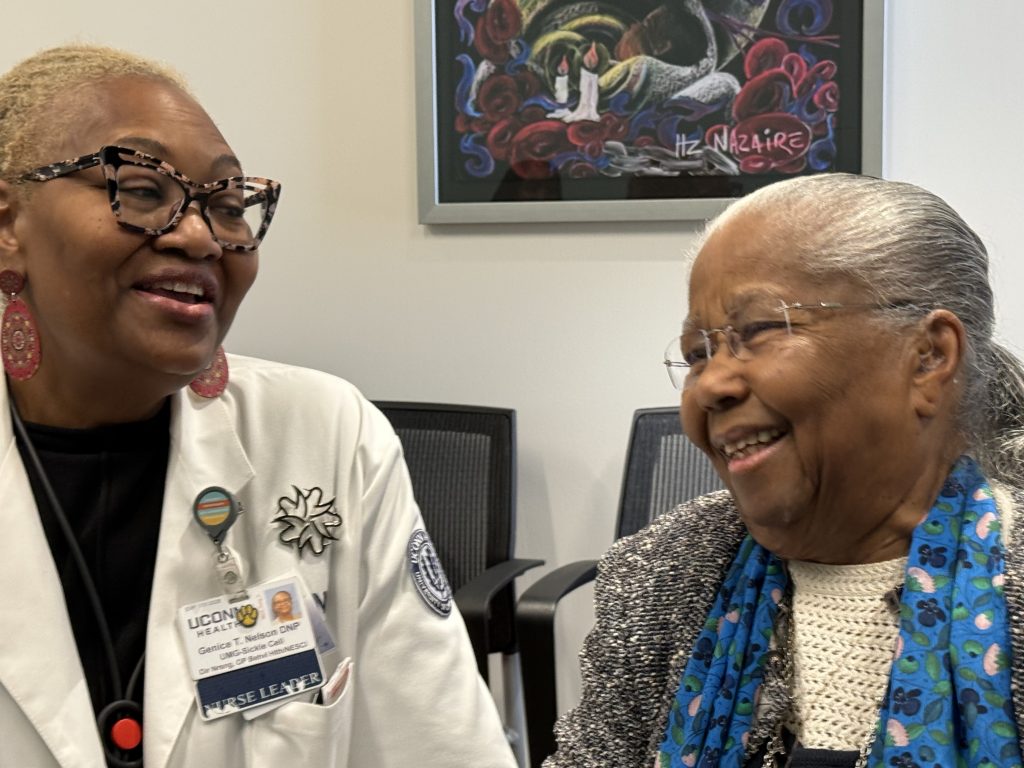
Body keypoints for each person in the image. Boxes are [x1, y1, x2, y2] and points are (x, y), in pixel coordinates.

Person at [0, 45, 516, 767]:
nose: (201, 236)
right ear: (8, 224)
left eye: (228, 204)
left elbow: (435, 743)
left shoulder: (325, 433)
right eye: (143, 190)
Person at [546, 174, 1024, 767]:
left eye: (762, 330)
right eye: (698, 353)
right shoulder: (664, 573)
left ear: (928, 356)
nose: (712, 384)